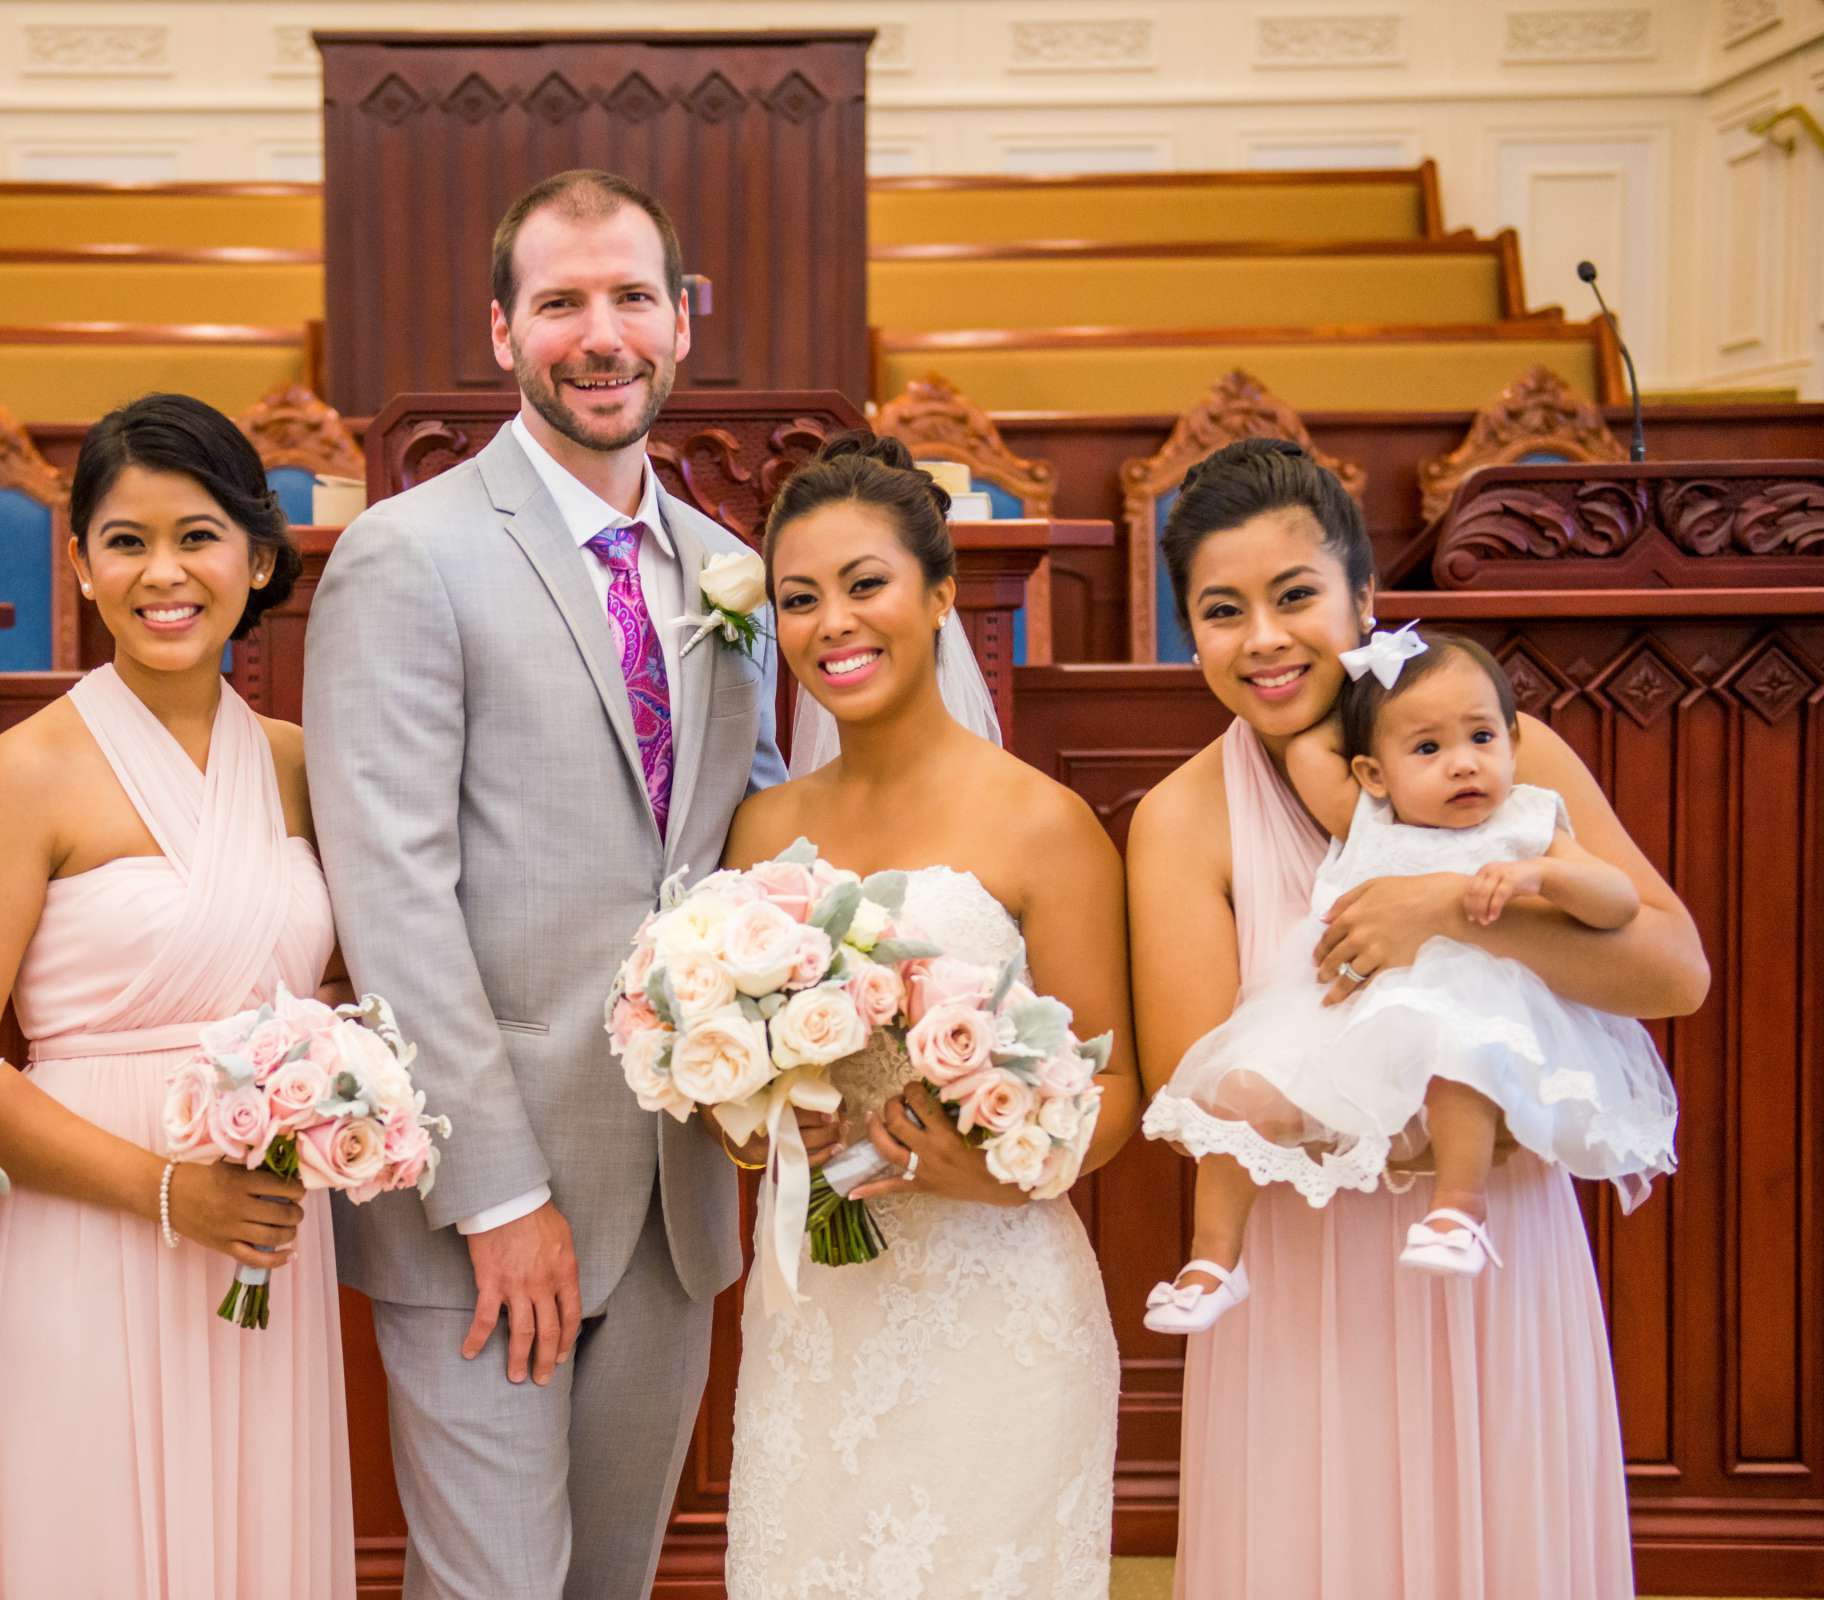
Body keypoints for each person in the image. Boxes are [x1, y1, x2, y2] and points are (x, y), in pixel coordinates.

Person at [302, 168, 785, 1598]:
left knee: (610, 1584)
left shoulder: (734, 574)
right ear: (501, 330)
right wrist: (497, 1193)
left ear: (683, 322)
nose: (602, 333)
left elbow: (745, 842)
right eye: (561, 302)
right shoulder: (408, 554)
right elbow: (392, 889)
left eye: (632, 296)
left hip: (674, 1183)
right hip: (486, 1197)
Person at [1127, 437, 1707, 1597]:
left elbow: (1673, 969)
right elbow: (1206, 1090)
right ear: (1191, 633)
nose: (1266, 640)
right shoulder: (1182, 820)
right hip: (1300, 1280)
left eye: (1298, 597)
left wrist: (1449, 912)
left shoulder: (1500, 756)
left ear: (1368, 600)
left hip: (1485, 1237)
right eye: (1224, 611)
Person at [0, 393, 354, 1599]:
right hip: (79, 1233)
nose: (165, 572)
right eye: (126, 539)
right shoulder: (27, 769)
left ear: (258, 557)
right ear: (81, 562)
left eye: (198, 536)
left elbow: (351, 986)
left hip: (257, 1242)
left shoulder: (302, 764)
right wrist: (166, 1191)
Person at [717, 432, 1139, 1600]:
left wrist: (996, 1168)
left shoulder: (1044, 825)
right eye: (799, 599)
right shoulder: (761, 835)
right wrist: (757, 1123)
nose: (832, 624)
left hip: (993, 1300)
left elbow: (1115, 1088)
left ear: (941, 593)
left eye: (866, 584)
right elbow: (732, 1096)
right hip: (818, 1302)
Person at [1142, 623, 1678, 1331]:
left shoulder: (1528, 820)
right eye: (1428, 748)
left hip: (1466, 1002)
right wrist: (1363, 673)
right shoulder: (1367, 816)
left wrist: (1544, 876)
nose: (1463, 765)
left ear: (1514, 745)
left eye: (1482, 739)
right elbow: (1306, 747)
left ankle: (1459, 1209)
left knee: (1463, 1058)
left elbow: (1615, 903)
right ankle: (1213, 1260)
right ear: (1371, 772)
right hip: (1342, 1014)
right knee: (1242, 1094)